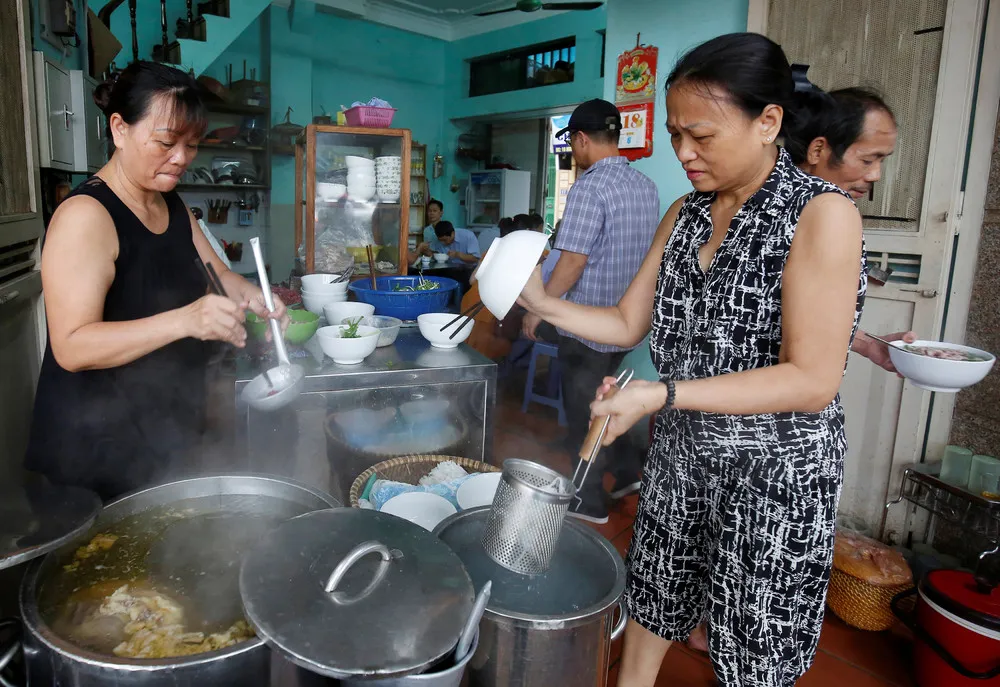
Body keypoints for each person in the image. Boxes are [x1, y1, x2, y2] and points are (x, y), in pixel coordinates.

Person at [518, 33, 866, 685]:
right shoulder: (684, 214)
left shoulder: (820, 216)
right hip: (681, 456)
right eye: (676, 133)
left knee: (751, 650)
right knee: (652, 597)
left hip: (772, 477)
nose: (683, 153)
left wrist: (660, 395)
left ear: (768, 122)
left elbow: (813, 380)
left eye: (701, 135)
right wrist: (538, 297)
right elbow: (626, 319)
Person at [682, 78, 914, 657]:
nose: (876, 175)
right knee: (712, 559)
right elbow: (761, 322)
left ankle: (728, 633)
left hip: (781, 444)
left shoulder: (827, 218)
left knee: (757, 595)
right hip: (725, 431)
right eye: (868, 157)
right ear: (818, 151)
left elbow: (807, 334)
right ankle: (713, 624)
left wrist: (863, 344)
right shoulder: (775, 214)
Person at [24, 62, 288, 502]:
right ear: (119, 129)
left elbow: (216, 275)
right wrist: (186, 320)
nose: (182, 157)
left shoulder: (170, 202)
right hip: (93, 453)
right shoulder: (86, 217)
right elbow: (71, 345)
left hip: (158, 434)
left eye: (192, 144)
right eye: (166, 142)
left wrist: (253, 294)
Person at [523, 98, 660, 524]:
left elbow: (572, 262)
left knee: (588, 408)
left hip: (587, 328)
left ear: (581, 140)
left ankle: (589, 501)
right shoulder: (646, 186)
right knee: (615, 399)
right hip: (630, 325)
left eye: (573, 145)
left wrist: (538, 311)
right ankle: (624, 476)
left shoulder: (589, 187)